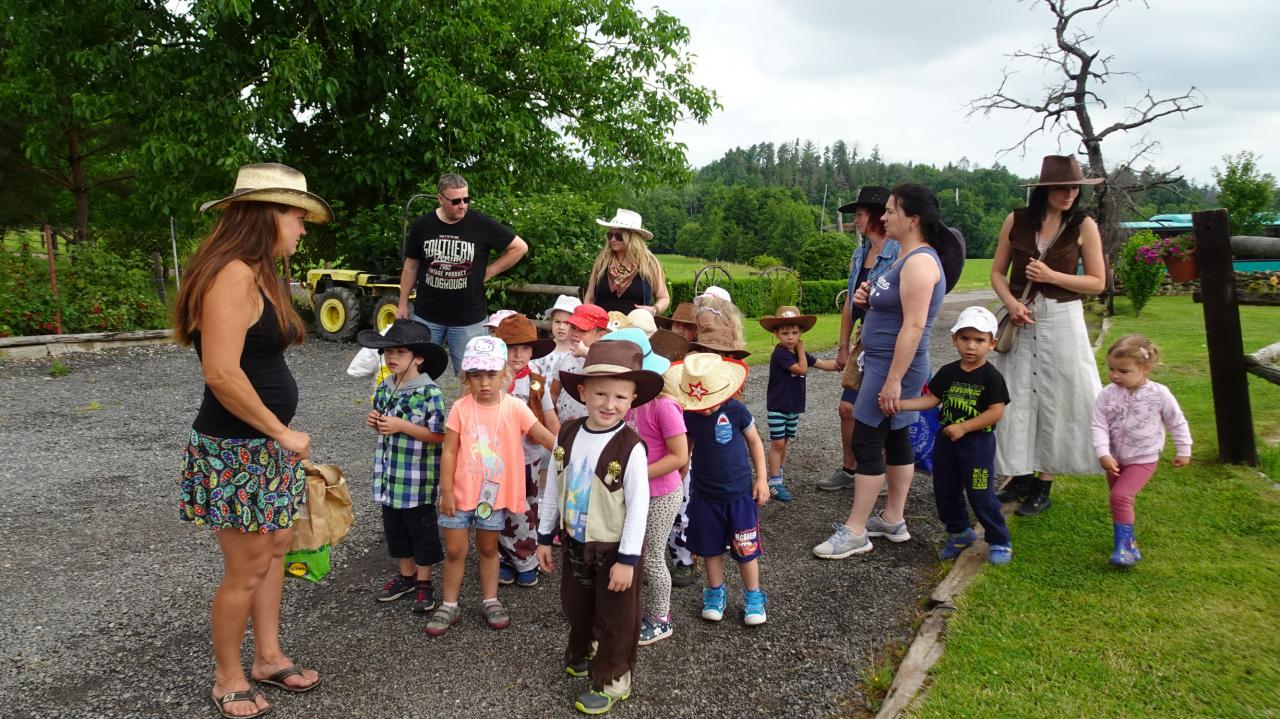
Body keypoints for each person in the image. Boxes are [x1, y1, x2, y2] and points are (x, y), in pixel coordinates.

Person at [175, 162, 327, 718]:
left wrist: (279, 438)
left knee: (276, 549)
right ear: (266, 215)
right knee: (246, 569)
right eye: (295, 216)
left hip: (265, 448)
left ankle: (267, 657)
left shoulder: (260, 274)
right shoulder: (231, 274)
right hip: (235, 450)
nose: (302, 229)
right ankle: (228, 678)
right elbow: (220, 373)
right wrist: (282, 430)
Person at [813, 183, 963, 560]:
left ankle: (855, 530)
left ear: (913, 220)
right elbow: (894, 307)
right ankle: (893, 519)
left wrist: (894, 380)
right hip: (884, 364)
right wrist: (868, 299)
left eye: (892, 210)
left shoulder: (920, 263)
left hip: (892, 368)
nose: (884, 216)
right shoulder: (905, 258)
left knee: (867, 441)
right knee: (896, 439)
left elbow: (914, 326)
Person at [536, 340, 663, 715]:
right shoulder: (567, 434)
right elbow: (553, 487)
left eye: (620, 397)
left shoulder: (631, 447)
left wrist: (627, 560)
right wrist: (544, 537)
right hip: (575, 542)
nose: (609, 404)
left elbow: (639, 507)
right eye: (601, 394)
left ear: (633, 399)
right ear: (582, 392)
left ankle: (613, 679)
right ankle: (586, 649)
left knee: (616, 616)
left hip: (614, 550)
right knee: (577, 605)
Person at [990, 155, 1107, 516]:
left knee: (1059, 397)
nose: (1069, 193)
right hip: (1022, 318)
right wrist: (1011, 303)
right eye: (1061, 187)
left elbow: (1097, 282)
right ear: (1045, 189)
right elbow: (997, 272)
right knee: (1017, 395)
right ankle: (1021, 474)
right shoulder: (1017, 220)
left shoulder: (1083, 225)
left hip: (1061, 318)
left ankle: (1045, 481)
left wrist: (1052, 276)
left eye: (1074, 187)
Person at [428, 336, 556, 636]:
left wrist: (574, 452)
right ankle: (449, 604)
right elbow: (449, 451)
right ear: (467, 377)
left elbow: (542, 435)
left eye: (491, 374)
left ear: (504, 375)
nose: (484, 382)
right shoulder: (460, 408)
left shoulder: (515, 407)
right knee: (455, 551)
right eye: (476, 375)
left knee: (488, 548)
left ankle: (490, 599)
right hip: (458, 495)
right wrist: (446, 491)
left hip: (491, 497)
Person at [897, 307, 1013, 565]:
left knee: (981, 493)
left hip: (978, 446)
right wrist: (902, 404)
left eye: (979, 340)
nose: (971, 346)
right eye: (965, 338)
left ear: (992, 343)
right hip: (947, 445)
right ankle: (959, 533)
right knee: (945, 490)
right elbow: (932, 399)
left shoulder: (992, 377)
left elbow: (996, 412)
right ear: (954, 339)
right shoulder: (949, 372)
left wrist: (964, 427)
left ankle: (999, 539)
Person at [667, 353, 770, 626]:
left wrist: (762, 478)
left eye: (711, 402)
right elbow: (685, 451)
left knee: (746, 549)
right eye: (701, 403)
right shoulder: (689, 415)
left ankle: (753, 596)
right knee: (710, 548)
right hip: (705, 497)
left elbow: (755, 442)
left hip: (739, 496)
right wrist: (677, 478)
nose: (706, 409)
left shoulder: (736, 410)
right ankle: (715, 593)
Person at [599, 329, 687, 646]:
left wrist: (637, 475)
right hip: (631, 491)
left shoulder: (663, 407)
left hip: (661, 493)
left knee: (650, 557)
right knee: (627, 551)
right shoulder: (623, 404)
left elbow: (679, 456)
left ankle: (661, 618)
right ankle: (628, 608)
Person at [358, 320, 451, 611]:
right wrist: (376, 422)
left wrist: (402, 426)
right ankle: (406, 575)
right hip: (390, 475)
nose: (392, 357)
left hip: (417, 479)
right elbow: (384, 424)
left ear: (418, 357)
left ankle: (424, 582)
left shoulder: (430, 393)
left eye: (400, 352)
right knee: (395, 530)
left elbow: (440, 435)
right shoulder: (385, 387)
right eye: (388, 351)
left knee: (421, 532)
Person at [397, 173, 529, 374]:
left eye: (466, 199)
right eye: (456, 201)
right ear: (440, 198)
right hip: (427, 316)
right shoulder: (422, 225)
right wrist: (402, 303)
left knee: (472, 375)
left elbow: (519, 247)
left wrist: (489, 271)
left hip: (469, 318)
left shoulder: (481, 224)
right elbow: (411, 266)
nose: (462, 205)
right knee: (417, 372)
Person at [822, 186, 900, 492]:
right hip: (862, 343)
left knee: (883, 410)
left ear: (878, 216)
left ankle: (883, 475)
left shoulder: (899, 253)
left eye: (860, 214)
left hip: (887, 343)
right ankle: (849, 469)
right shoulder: (859, 254)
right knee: (847, 408)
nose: (856, 220)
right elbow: (849, 304)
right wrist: (843, 346)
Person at [1092, 335, 1191, 567]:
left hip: (1143, 458)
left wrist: (1184, 449)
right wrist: (1103, 453)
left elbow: (1176, 421)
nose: (1115, 375)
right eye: (1111, 369)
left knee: (1120, 497)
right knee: (1119, 500)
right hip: (1114, 460)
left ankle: (1124, 548)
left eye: (1123, 371)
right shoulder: (1107, 394)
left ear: (1145, 368)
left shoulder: (1159, 394)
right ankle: (1130, 544)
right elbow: (1098, 424)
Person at [491, 314, 558, 586]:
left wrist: (563, 446)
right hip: (494, 459)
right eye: (511, 347)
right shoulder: (491, 380)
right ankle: (505, 558)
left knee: (525, 509)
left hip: (527, 459)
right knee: (497, 507)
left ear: (532, 351)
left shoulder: (536, 382)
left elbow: (550, 418)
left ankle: (526, 558)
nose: (518, 354)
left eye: (525, 348)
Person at [759, 306, 838, 501]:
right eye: (785, 333)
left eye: (794, 333)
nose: (790, 337)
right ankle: (774, 482)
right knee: (777, 442)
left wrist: (843, 363)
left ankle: (779, 473)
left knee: (785, 441)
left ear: (801, 332)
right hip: (778, 406)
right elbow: (803, 369)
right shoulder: (781, 354)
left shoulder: (798, 353)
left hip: (793, 407)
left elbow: (823, 364)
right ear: (776, 334)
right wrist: (801, 349)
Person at [584, 209, 670, 315]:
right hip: (601, 323)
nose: (613, 239)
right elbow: (590, 297)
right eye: (610, 235)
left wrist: (654, 310)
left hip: (636, 323)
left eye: (619, 236)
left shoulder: (649, 263)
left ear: (632, 237)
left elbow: (663, 298)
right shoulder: (602, 261)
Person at [549, 303, 611, 423]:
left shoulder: (605, 360)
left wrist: (585, 353)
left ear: (600, 335)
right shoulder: (564, 358)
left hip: (594, 426)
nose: (575, 333)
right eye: (573, 328)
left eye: (582, 330)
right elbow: (554, 393)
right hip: (563, 424)